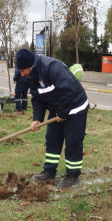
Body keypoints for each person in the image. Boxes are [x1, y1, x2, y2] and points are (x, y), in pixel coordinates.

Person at [16, 48, 89, 189]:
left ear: (31, 66)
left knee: (73, 141)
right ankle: (49, 172)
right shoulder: (31, 76)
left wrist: (63, 113)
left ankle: (73, 176)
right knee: (52, 139)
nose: (22, 74)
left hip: (75, 107)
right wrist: (37, 118)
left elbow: (68, 90)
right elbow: (37, 98)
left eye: (23, 70)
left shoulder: (52, 67)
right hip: (57, 109)